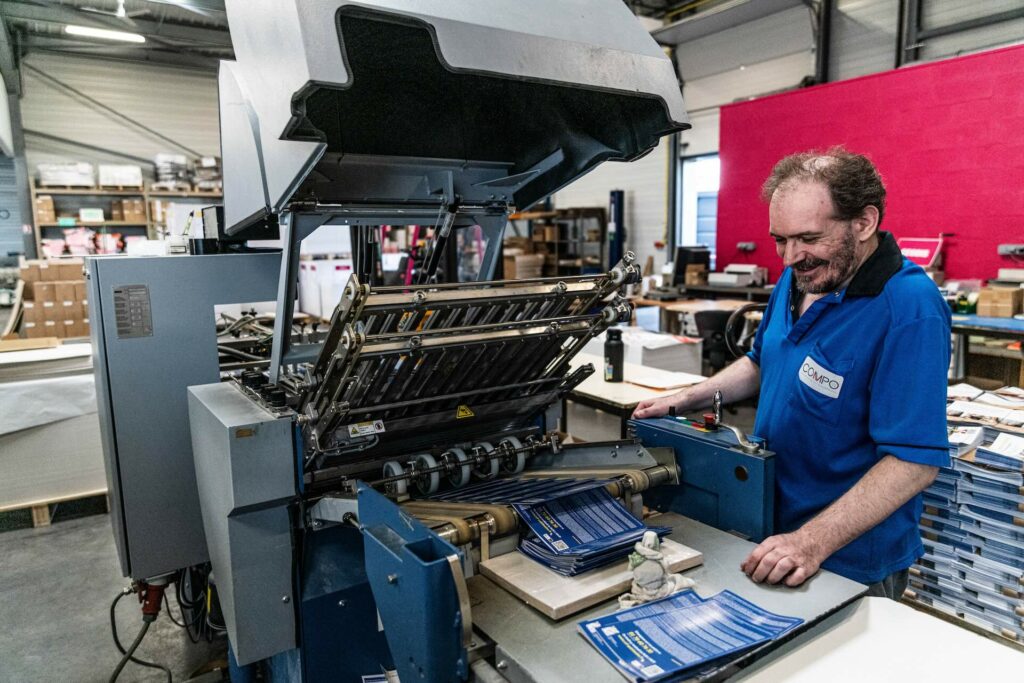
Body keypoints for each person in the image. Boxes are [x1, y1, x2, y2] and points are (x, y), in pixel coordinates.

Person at [633, 148, 951, 599]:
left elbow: (914, 462)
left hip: (847, 558)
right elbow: (762, 361)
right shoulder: (803, 277)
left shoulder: (909, 309)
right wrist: (689, 397)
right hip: (773, 527)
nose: (788, 257)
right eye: (779, 239)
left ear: (863, 223)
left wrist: (811, 542)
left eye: (807, 237)